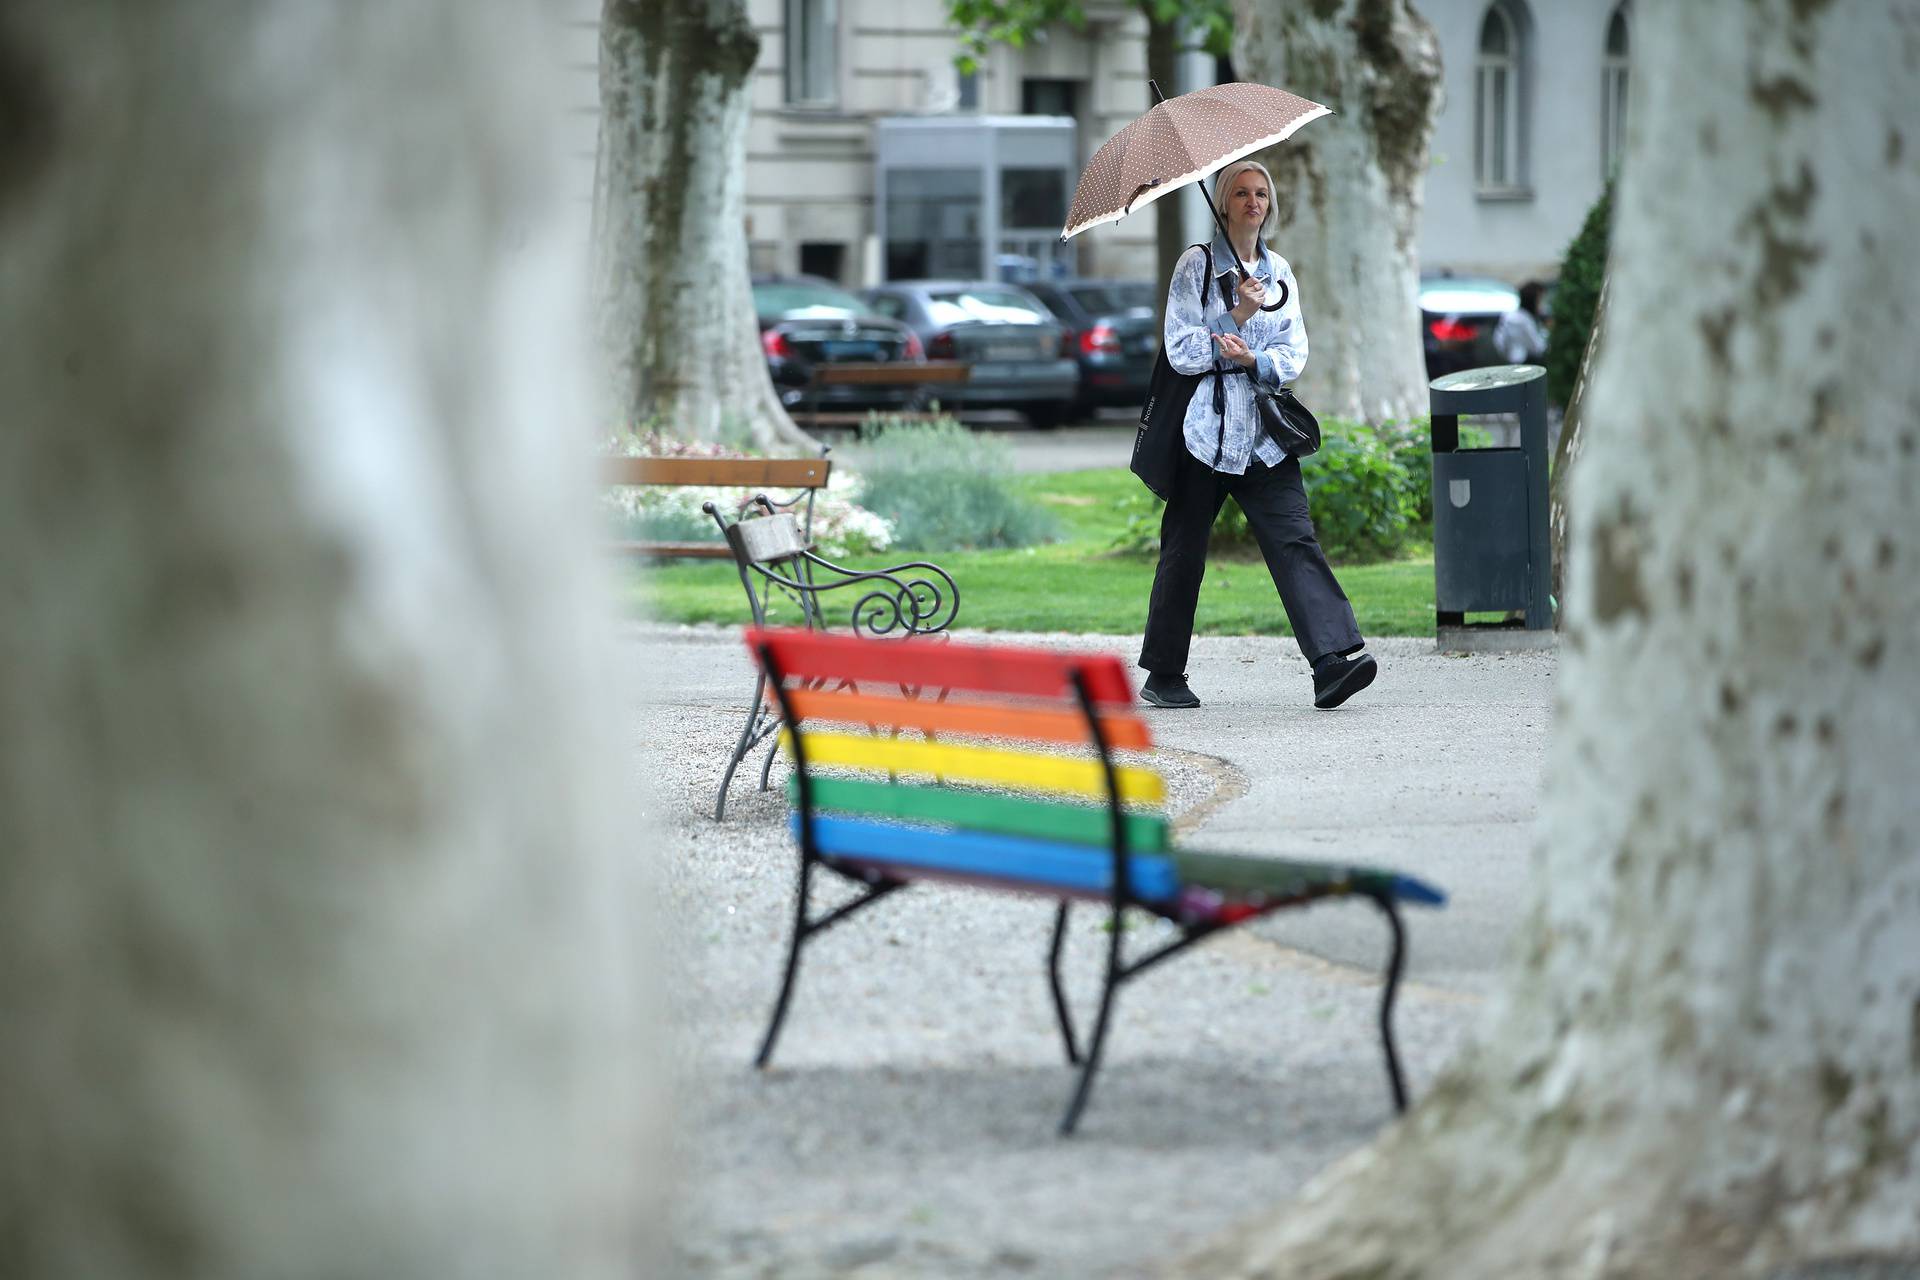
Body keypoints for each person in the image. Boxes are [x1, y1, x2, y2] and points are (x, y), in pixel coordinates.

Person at [1138, 159, 1376, 711]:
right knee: (1184, 551)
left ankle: (1331, 663)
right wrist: (1236, 316)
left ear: (1270, 204)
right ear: (1223, 202)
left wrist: (1257, 361)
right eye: (1241, 192)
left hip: (1264, 434)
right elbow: (1182, 350)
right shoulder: (1195, 267)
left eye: (1261, 193)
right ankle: (1164, 674)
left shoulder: (1281, 272)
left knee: (1295, 539)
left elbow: (1295, 353)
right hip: (1205, 434)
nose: (1252, 201)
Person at [1491, 280, 1550, 364]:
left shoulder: (1510, 316)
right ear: (1533, 301)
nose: (1543, 305)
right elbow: (1537, 347)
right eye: (1540, 300)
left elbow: (1499, 341)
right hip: (1523, 363)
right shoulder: (1522, 321)